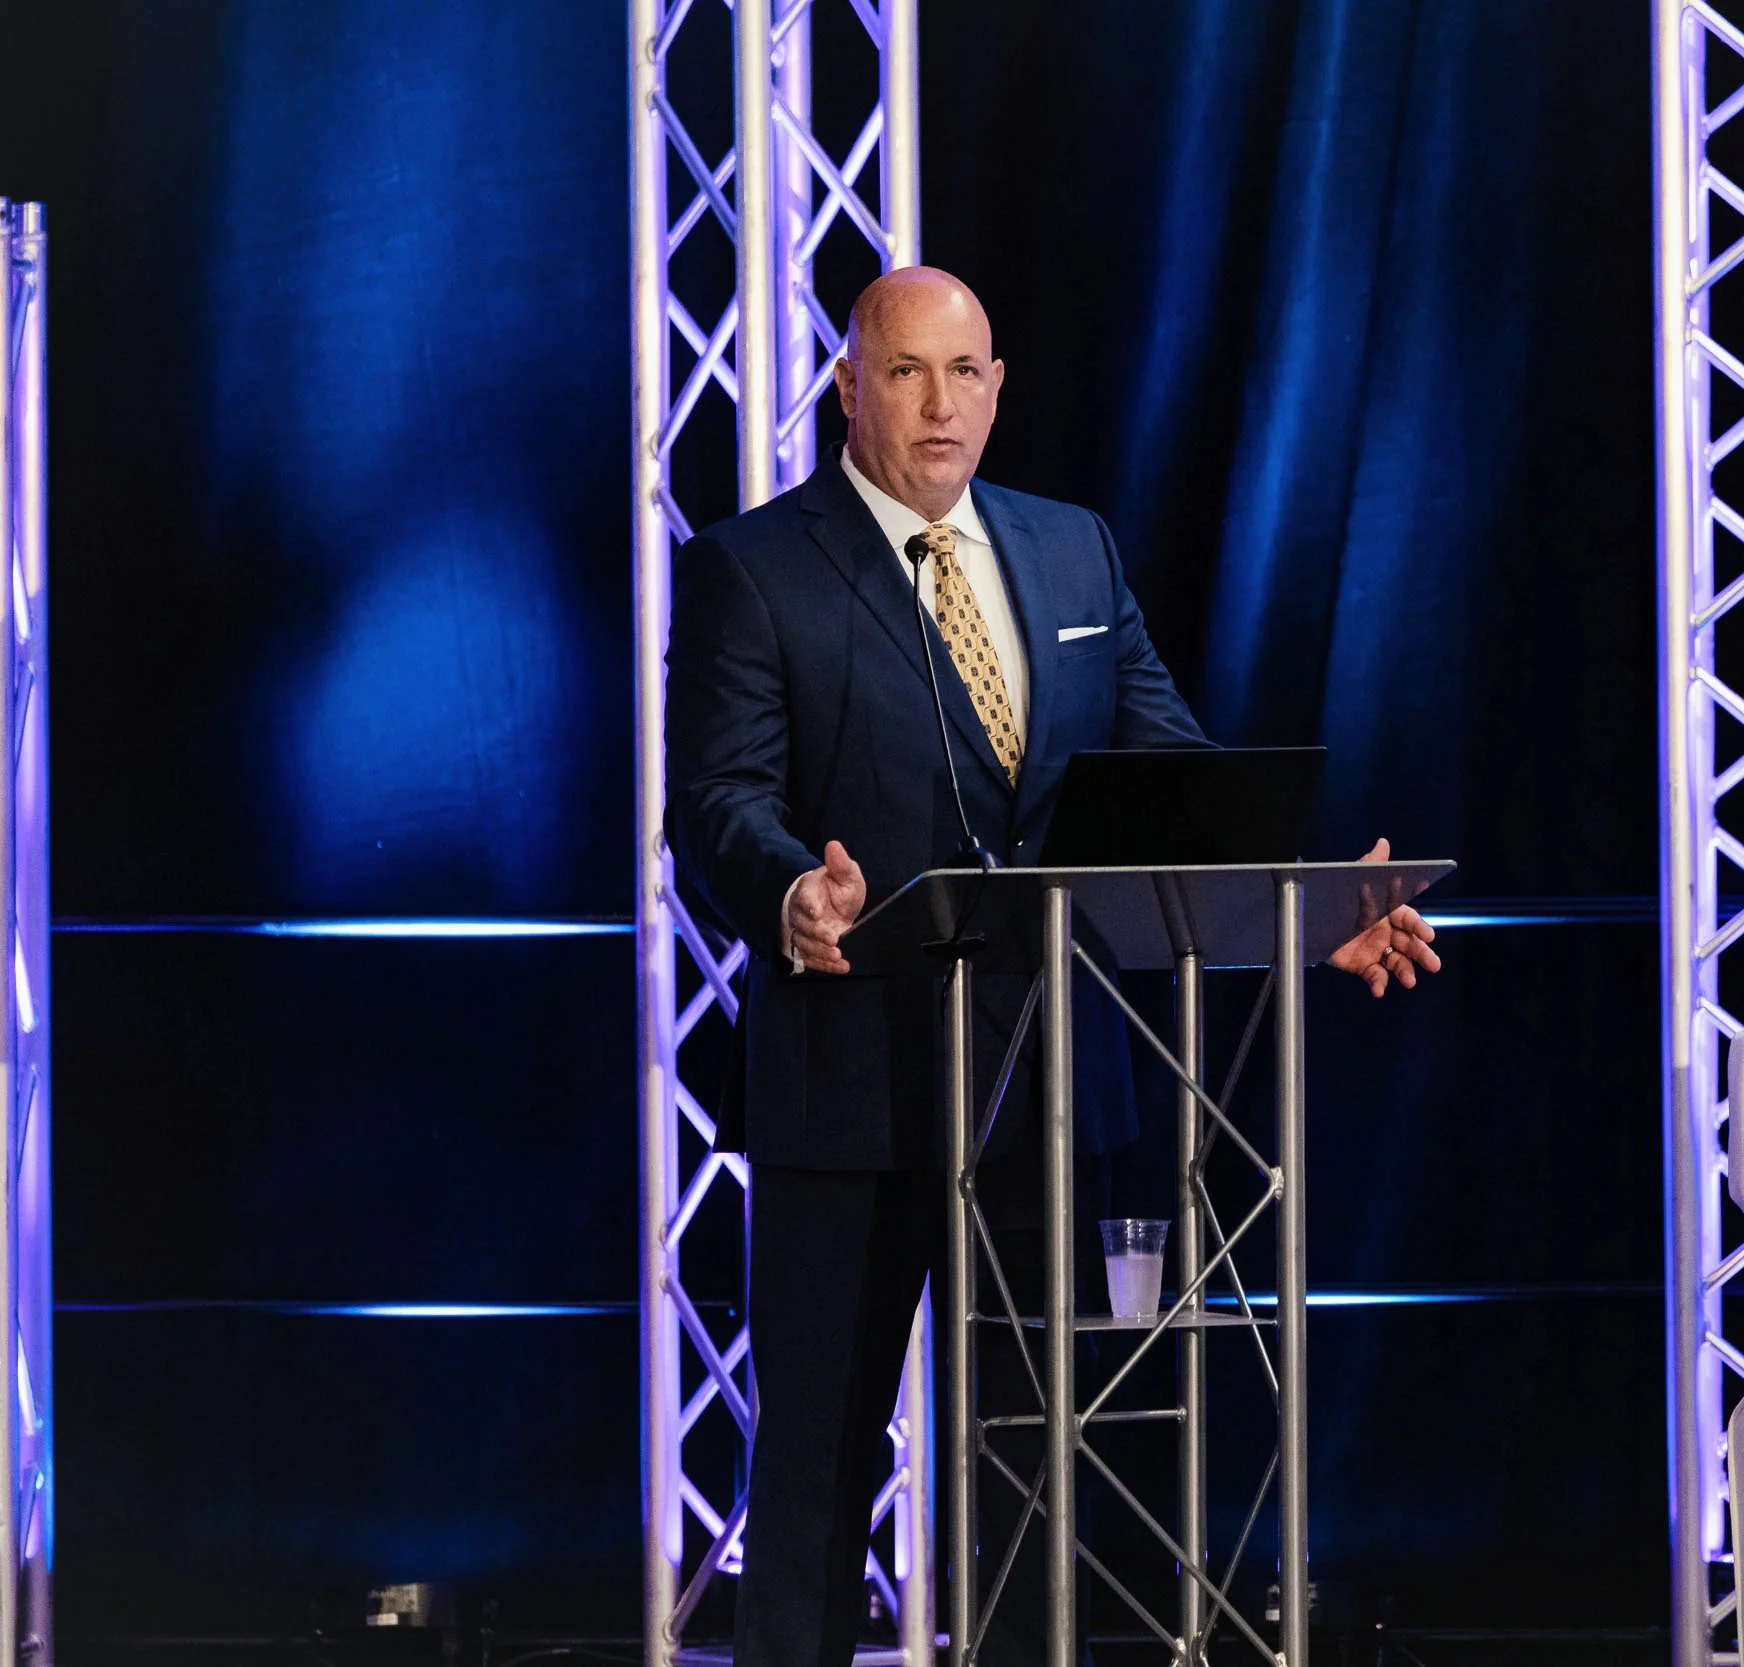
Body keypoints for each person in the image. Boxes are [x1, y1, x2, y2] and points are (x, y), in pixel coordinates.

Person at [664, 266, 1440, 1667]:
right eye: (905, 372)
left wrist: (1311, 910)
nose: (938, 404)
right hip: (855, 1095)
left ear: (1000, 385)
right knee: (820, 1475)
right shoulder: (754, 567)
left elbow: (1176, 778)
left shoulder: (1072, 552)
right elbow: (716, 804)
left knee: (1040, 1463)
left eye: (964, 372)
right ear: (849, 386)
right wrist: (791, 893)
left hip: (1052, 1093)